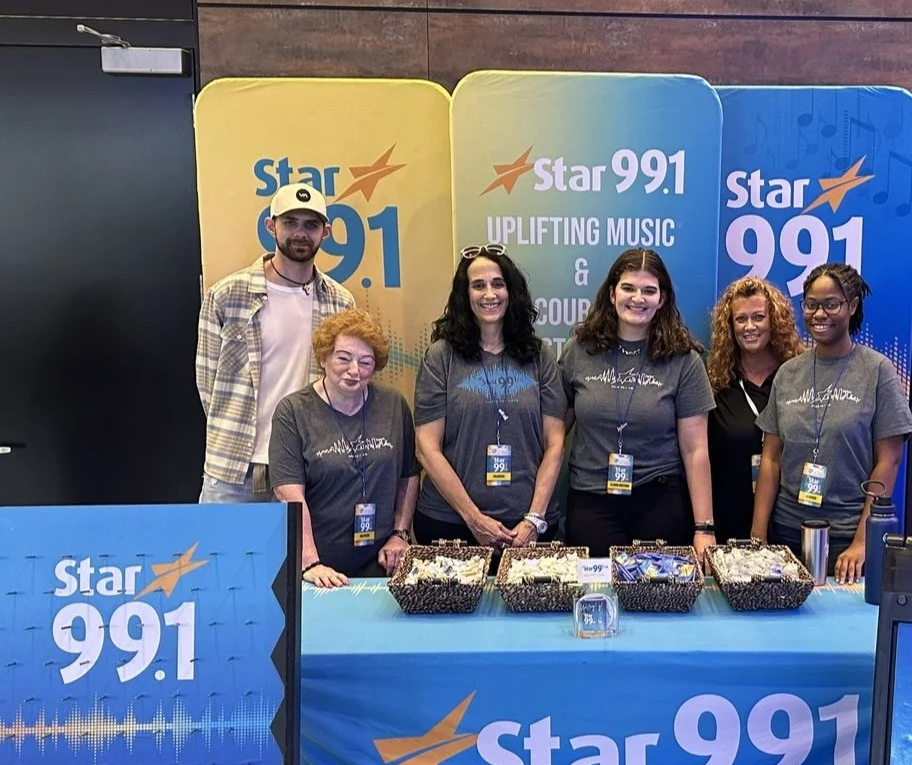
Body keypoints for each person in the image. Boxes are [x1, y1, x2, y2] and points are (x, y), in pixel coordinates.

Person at [751, 263, 912, 584]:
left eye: (831, 304)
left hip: (846, 540)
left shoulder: (877, 371)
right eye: (811, 304)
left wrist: (861, 543)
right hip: (786, 534)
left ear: (852, 306)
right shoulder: (788, 373)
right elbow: (770, 459)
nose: (819, 314)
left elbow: (889, 461)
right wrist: (758, 537)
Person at [196, 183, 355, 503]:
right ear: (271, 226)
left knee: (301, 554)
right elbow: (207, 383)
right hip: (234, 468)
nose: (300, 233)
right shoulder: (227, 295)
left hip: (308, 466)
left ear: (325, 233)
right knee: (223, 553)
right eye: (290, 222)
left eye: (310, 225)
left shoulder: (340, 302)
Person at [559, 248, 717, 560]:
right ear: (611, 292)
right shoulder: (579, 350)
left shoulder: (684, 358)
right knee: (596, 596)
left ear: (662, 298)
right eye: (628, 288)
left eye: (649, 290)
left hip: (659, 501)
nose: (638, 298)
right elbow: (553, 435)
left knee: (656, 600)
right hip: (591, 500)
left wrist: (705, 528)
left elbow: (695, 448)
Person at [412, 244, 567, 552]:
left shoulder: (538, 355)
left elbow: (555, 443)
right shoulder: (440, 356)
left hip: (527, 525)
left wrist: (534, 519)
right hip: (451, 522)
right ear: (464, 294)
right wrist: (474, 519)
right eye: (478, 285)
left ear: (512, 291)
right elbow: (426, 449)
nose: (489, 294)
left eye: (498, 283)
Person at [269, 310, 418, 588]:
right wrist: (310, 562)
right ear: (324, 357)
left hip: (380, 563)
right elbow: (288, 493)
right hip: (319, 566)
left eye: (366, 362)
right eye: (343, 358)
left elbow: (409, 475)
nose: (354, 371)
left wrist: (401, 533)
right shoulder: (293, 412)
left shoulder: (393, 405)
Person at [705, 276, 804, 541]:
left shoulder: (798, 376)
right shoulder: (714, 382)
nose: (750, 326)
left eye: (759, 317)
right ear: (729, 326)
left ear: (775, 321)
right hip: (728, 516)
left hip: (789, 518)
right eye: (740, 319)